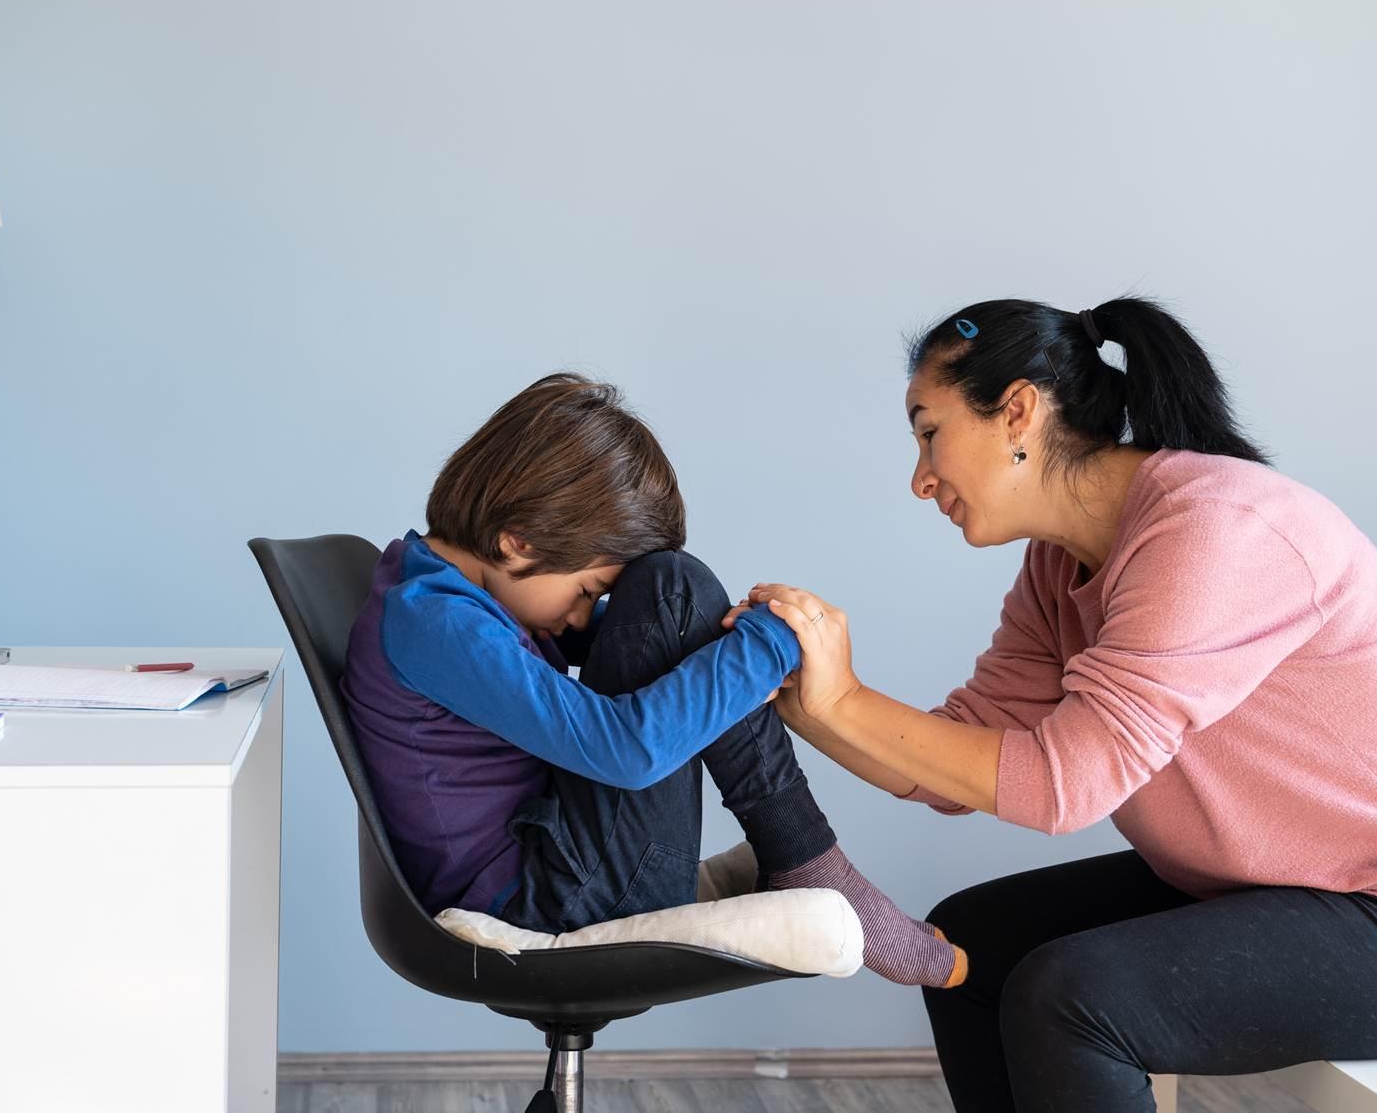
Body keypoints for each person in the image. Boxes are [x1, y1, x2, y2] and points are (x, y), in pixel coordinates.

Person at [727, 297, 1377, 1112]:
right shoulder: (1058, 566)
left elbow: (1061, 788)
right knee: (968, 948)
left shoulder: (1214, 529)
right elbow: (954, 760)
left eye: (929, 431)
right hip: (1254, 887)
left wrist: (849, 697)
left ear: (1016, 412)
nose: (920, 477)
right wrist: (809, 704)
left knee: (1070, 996)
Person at [339, 372, 966, 987]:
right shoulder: (438, 623)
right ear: (516, 541)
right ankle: (807, 858)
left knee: (673, 593)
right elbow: (627, 752)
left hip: (557, 867)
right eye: (588, 590)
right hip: (546, 901)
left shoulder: (441, 594)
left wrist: (721, 636)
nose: (583, 614)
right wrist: (777, 638)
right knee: (675, 586)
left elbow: (654, 624)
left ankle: (804, 857)